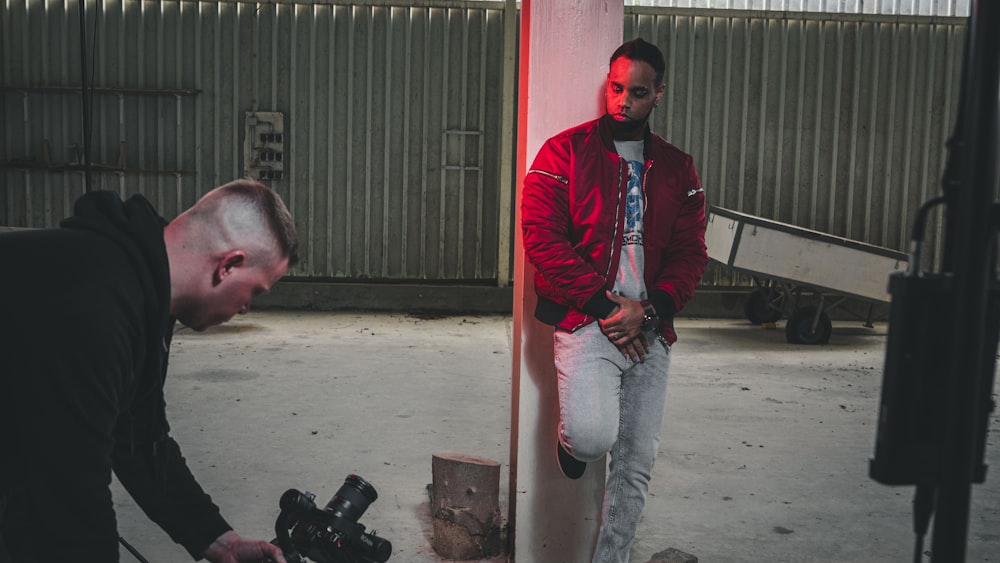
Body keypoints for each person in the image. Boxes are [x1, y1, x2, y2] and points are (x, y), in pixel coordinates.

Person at [0, 179, 300, 562]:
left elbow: (139, 438)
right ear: (229, 265)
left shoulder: (145, 294)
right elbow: (68, 498)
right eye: (255, 292)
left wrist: (217, 539)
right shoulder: (97, 301)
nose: (246, 309)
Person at [521, 37, 708, 562]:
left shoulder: (678, 168)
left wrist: (648, 313)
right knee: (591, 439)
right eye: (616, 87)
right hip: (588, 320)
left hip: (649, 327)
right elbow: (541, 237)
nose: (623, 100)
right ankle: (570, 441)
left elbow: (692, 252)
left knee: (636, 465)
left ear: (659, 95)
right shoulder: (563, 152)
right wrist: (607, 309)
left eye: (638, 92)